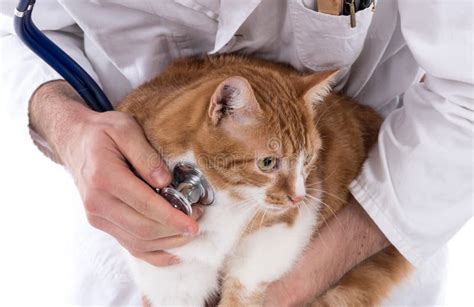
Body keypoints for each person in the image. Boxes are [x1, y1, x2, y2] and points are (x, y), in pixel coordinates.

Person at [0, 0, 472, 305]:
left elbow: (467, 92)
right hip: (129, 221)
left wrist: (295, 284)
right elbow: (16, 28)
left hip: (362, 206)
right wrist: (72, 132)